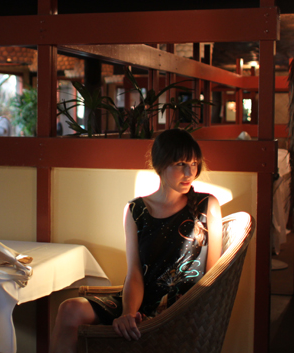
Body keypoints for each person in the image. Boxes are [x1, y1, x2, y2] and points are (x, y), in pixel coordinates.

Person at [49, 128, 223, 353]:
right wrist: (128, 313)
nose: (190, 172)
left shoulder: (207, 205)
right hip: (139, 300)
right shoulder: (136, 210)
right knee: (69, 309)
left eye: (194, 163)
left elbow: (213, 276)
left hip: (180, 306)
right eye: (180, 164)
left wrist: (187, 311)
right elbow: (135, 272)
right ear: (160, 165)